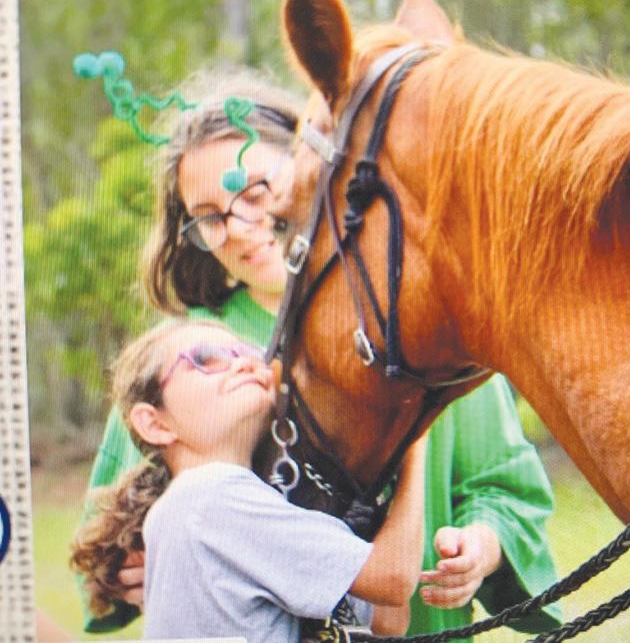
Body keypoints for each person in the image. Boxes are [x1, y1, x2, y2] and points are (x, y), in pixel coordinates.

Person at [78, 69, 561, 638]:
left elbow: (503, 489)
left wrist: (482, 545)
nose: (240, 227)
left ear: (311, 169)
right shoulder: (183, 360)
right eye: (208, 215)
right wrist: (128, 570)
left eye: (255, 192)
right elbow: (110, 543)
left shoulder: (425, 329)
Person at [72, 320, 425, 641]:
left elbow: (387, 618)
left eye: (250, 353)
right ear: (155, 424)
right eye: (205, 358)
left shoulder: (218, 505)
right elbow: (393, 580)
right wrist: (415, 440)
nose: (243, 363)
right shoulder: (210, 497)